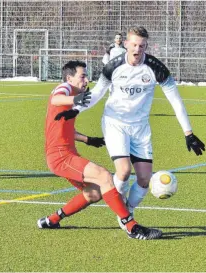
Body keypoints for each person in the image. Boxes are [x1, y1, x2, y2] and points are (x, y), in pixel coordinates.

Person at [57, 26, 206, 230]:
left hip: (140, 128)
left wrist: (188, 133)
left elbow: (176, 100)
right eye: (134, 44)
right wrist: (75, 110)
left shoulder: (156, 68)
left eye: (142, 46)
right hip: (115, 123)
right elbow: (98, 93)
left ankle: (128, 209)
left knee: (144, 179)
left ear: (146, 46)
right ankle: (126, 219)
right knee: (124, 171)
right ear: (126, 44)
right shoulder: (113, 66)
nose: (138, 49)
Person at [37, 60, 162, 240]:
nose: (86, 80)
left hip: (65, 155)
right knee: (104, 177)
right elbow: (56, 98)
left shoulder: (71, 95)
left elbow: (63, 129)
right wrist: (75, 99)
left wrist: (87, 139)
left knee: (94, 193)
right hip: (60, 157)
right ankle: (131, 226)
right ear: (69, 77)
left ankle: (52, 220)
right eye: (82, 76)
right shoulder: (64, 88)